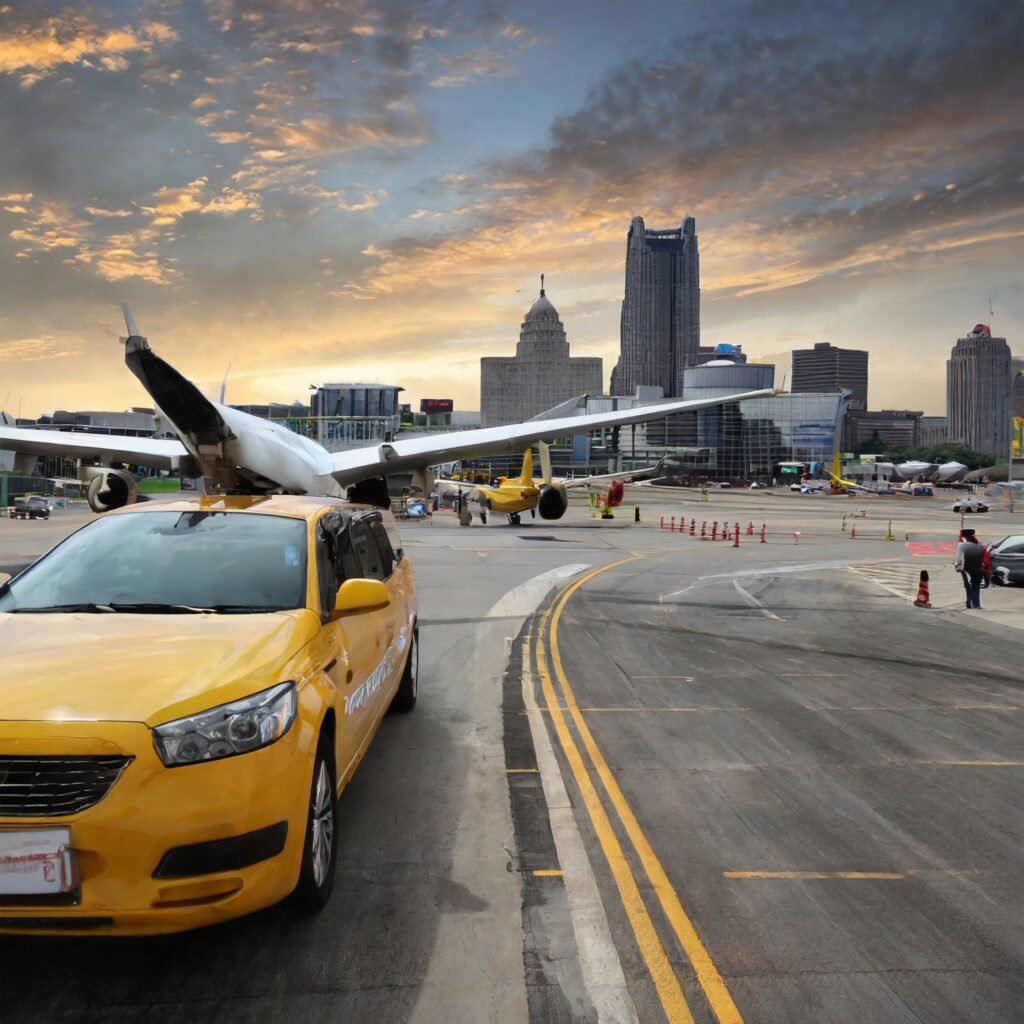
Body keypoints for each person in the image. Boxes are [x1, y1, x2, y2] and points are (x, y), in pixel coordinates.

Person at [954, 528, 985, 609]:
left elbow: (958, 558)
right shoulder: (980, 545)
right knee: (976, 587)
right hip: (979, 569)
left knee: (968, 587)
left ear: (963, 537)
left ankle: (970, 604)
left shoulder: (962, 545)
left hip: (967, 569)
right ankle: (977, 604)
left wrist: (957, 566)